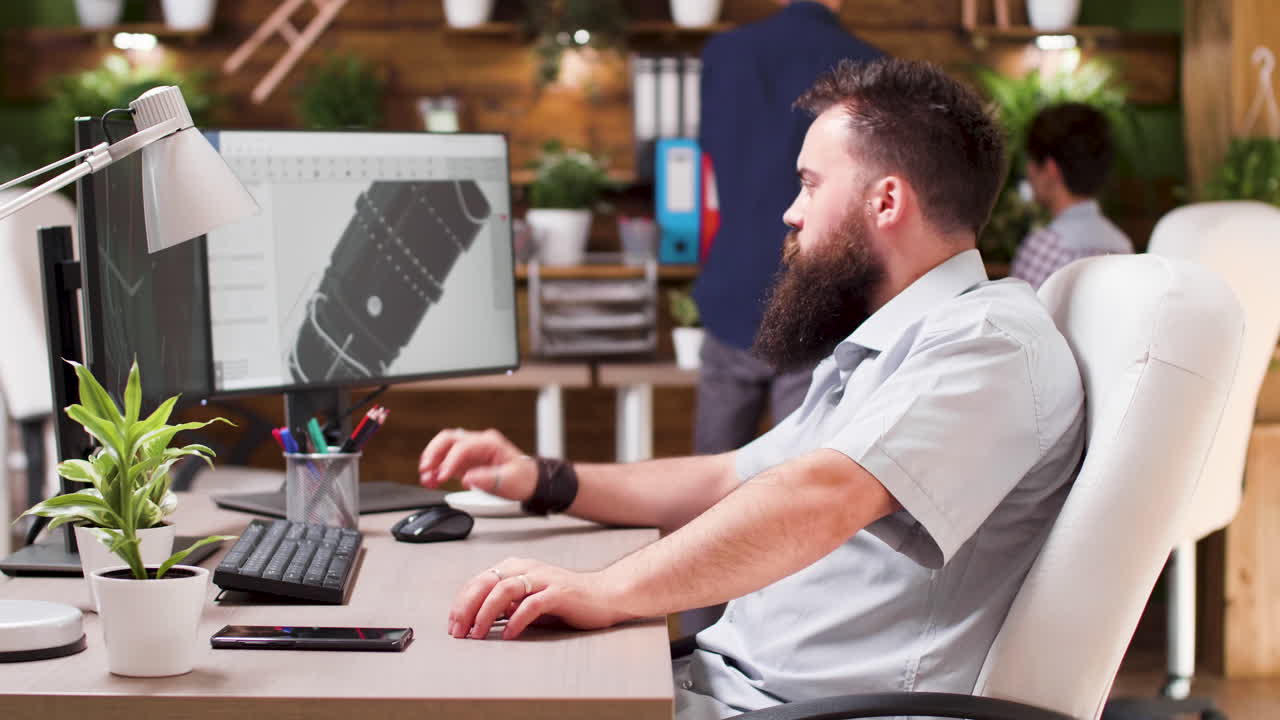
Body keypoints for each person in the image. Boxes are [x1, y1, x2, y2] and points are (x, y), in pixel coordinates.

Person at [419, 58, 1086, 719]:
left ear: (885, 200)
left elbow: (822, 497)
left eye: (809, 185)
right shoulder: (889, 346)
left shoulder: (991, 344)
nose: (791, 213)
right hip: (723, 682)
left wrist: (609, 590)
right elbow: (730, 478)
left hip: (787, 709)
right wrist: (543, 479)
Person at [691, 0, 883, 455]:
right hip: (820, 288)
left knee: (705, 478)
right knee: (798, 482)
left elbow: (710, 150)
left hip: (732, 284)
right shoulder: (873, 66)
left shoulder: (725, 53)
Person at [1009, 102, 1134, 290]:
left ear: (1051, 169)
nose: (1029, 171)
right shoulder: (1124, 246)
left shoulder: (1042, 248)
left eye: (1032, 161)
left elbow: (1013, 317)